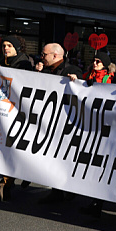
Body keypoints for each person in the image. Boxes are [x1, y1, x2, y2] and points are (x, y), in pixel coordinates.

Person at [0, 36, 35, 202]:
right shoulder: (2, 60)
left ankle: (7, 184)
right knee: (4, 146)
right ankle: (7, 180)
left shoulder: (24, 63)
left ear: (17, 48)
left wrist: (3, 72)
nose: (5, 48)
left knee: (14, 146)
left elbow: (21, 83)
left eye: (9, 46)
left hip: (19, 113)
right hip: (4, 111)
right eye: (3, 45)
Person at [35, 43, 83, 203]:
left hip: (65, 122)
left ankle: (68, 189)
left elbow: (82, 92)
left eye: (44, 54)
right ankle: (56, 191)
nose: (42, 57)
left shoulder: (72, 70)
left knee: (64, 157)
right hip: (48, 121)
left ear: (55, 55)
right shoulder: (45, 69)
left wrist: (77, 82)